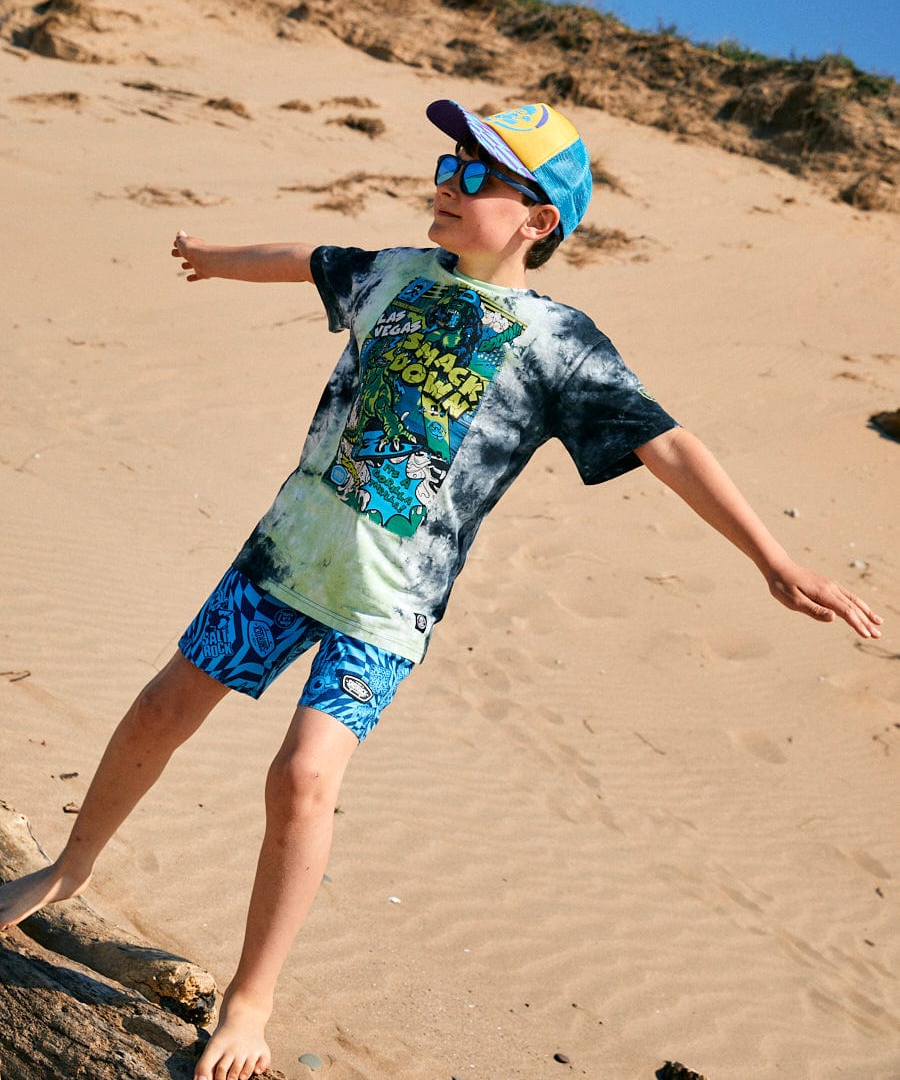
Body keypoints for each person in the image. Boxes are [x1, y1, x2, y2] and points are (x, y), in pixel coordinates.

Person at [0, 99, 883, 1080]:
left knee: (302, 777)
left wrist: (774, 560)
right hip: (284, 560)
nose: (447, 186)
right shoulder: (396, 273)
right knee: (163, 709)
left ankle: (251, 1001)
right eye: (448, 165)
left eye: (477, 177)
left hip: (388, 607)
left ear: (539, 219)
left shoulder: (559, 343)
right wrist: (215, 258)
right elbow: (308, 258)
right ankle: (69, 867)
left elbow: (668, 444)